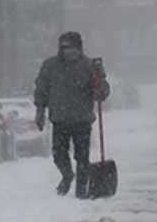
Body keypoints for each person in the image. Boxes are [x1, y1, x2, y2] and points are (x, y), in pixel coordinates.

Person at [34, 31, 110, 198]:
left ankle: (81, 191)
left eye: (70, 48)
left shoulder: (89, 66)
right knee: (58, 155)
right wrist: (40, 110)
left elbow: (102, 93)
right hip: (60, 120)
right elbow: (41, 89)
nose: (67, 51)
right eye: (64, 48)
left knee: (82, 158)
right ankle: (67, 175)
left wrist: (100, 81)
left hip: (82, 120)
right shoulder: (50, 66)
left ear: (79, 48)